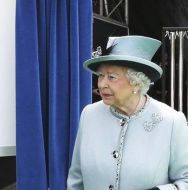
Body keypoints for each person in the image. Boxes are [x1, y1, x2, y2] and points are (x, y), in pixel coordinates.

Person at [67, 35, 188, 190]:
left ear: (136, 83)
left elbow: (185, 180)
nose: (102, 84)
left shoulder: (171, 121)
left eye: (112, 77)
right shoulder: (89, 115)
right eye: (100, 76)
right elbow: (76, 179)